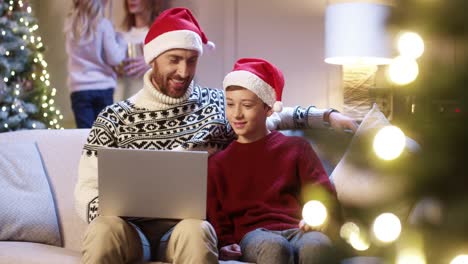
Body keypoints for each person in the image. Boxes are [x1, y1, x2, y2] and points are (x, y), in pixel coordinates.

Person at [74, 7, 357, 264]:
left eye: (191, 60)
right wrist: (106, 210)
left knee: (197, 231)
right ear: (153, 59)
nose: (183, 72)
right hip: (129, 229)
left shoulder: (217, 106)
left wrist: (327, 116)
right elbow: (86, 187)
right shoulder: (114, 117)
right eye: (174, 60)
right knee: (103, 229)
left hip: (184, 230)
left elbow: (265, 111)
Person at [207, 58, 340, 264]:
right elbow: (216, 214)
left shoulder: (296, 148)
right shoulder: (218, 163)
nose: (237, 114)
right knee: (274, 248)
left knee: (317, 246)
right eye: (230, 104)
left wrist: (318, 218)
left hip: (299, 228)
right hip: (254, 235)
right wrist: (225, 241)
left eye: (247, 105)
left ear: (268, 109)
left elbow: (322, 193)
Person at [64, 0, 127, 128]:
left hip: (79, 90)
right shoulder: (103, 25)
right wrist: (122, 42)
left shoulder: (70, 24)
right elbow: (114, 58)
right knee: (104, 133)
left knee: (84, 134)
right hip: (103, 87)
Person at [115, 0, 164, 101]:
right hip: (122, 99)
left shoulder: (161, 34)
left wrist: (153, 64)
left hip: (149, 101)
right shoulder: (119, 36)